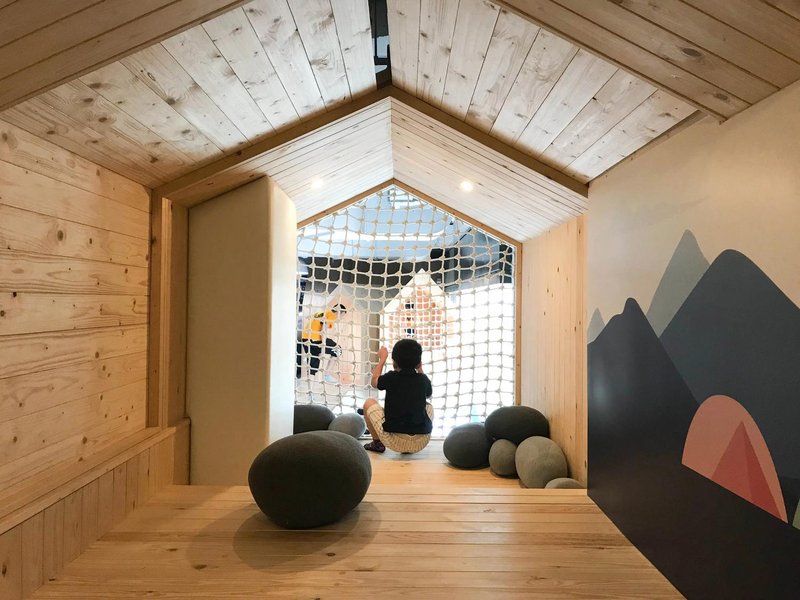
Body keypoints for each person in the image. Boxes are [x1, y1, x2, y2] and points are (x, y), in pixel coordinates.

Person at [362, 339, 434, 454]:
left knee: (369, 402)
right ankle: (409, 443)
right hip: (421, 441)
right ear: (419, 362)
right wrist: (419, 367)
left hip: (394, 441)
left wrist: (382, 359)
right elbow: (429, 394)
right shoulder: (423, 379)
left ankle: (377, 444)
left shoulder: (391, 377)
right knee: (428, 406)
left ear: (394, 361)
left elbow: (374, 382)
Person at [296, 304, 346, 379]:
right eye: (342, 315)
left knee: (313, 367)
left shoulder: (321, 313)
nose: (341, 318)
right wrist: (323, 348)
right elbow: (323, 331)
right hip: (315, 340)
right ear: (338, 312)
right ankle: (327, 374)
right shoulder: (331, 315)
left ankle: (310, 385)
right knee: (338, 350)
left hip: (305, 340)